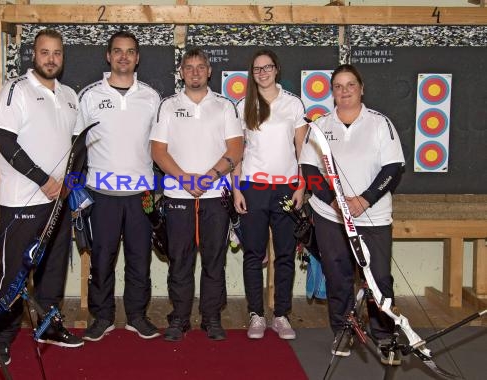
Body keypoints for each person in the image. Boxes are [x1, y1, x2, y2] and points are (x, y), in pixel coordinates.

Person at [299, 64, 405, 364]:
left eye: (350, 85)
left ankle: (384, 336)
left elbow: (393, 168)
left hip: (373, 216)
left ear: (361, 88)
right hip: (330, 216)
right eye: (338, 86)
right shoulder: (320, 126)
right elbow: (309, 169)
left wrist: (365, 200)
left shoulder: (380, 124)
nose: (344, 91)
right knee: (338, 275)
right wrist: (332, 200)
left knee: (379, 278)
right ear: (332, 92)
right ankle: (344, 330)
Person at [0, 28, 83, 367]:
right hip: (22, 201)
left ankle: (49, 327)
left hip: (57, 201)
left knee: (53, 269)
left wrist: (70, 183)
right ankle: (0, 338)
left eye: (57, 53)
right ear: (34, 54)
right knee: (14, 273)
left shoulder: (70, 95)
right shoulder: (16, 89)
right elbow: (7, 142)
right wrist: (44, 180)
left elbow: (77, 147)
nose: (51, 59)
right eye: (45, 52)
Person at [150, 48, 243, 341]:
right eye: (188, 67)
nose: (194, 72)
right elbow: (158, 151)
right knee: (180, 259)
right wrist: (184, 179)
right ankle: (179, 317)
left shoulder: (225, 106)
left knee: (214, 260)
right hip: (178, 195)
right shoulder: (167, 106)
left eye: (200, 67)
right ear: (181, 72)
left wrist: (209, 176)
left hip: (216, 195)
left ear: (209, 71)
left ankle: (212, 317)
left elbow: (236, 149)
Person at [77, 30, 161, 341]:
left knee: (140, 257)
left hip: (142, 194)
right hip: (101, 194)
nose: (123, 56)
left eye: (129, 51)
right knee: (102, 258)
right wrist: (75, 187)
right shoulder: (89, 96)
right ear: (108, 56)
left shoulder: (151, 97)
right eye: (117, 51)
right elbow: (78, 145)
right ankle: (102, 317)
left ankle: (137, 316)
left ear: (137, 58)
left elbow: (160, 145)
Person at [231, 49, 307, 340]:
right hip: (252, 188)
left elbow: (302, 150)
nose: (262, 73)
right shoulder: (243, 105)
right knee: (253, 254)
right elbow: (237, 152)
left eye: (267, 67)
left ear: (277, 70)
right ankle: (256, 315)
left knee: (285, 254)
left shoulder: (293, 104)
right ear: (252, 74)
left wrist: (301, 185)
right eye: (257, 69)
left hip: (287, 189)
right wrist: (236, 187)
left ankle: (281, 315)